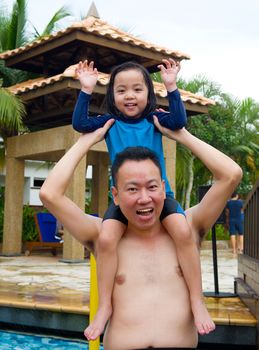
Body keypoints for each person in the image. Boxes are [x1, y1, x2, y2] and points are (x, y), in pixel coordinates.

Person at [39, 120, 242, 349]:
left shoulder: (188, 228)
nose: (144, 198)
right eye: (132, 189)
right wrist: (85, 141)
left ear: (163, 188)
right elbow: (49, 194)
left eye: (152, 187)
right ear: (115, 195)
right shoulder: (103, 236)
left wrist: (181, 135)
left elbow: (231, 174)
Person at [72, 59, 213, 339]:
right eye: (121, 90)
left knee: (183, 232)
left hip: (162, 196)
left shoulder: (154, 119)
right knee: (107, 239)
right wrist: (86, 90)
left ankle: (197, 300)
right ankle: (105, 306)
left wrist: (171, 87)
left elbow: (179, 122)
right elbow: (80, 124)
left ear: (149, 93)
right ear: (112, 95)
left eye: (137, 89)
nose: (130, 96)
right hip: (124, 201)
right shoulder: (109, 123)